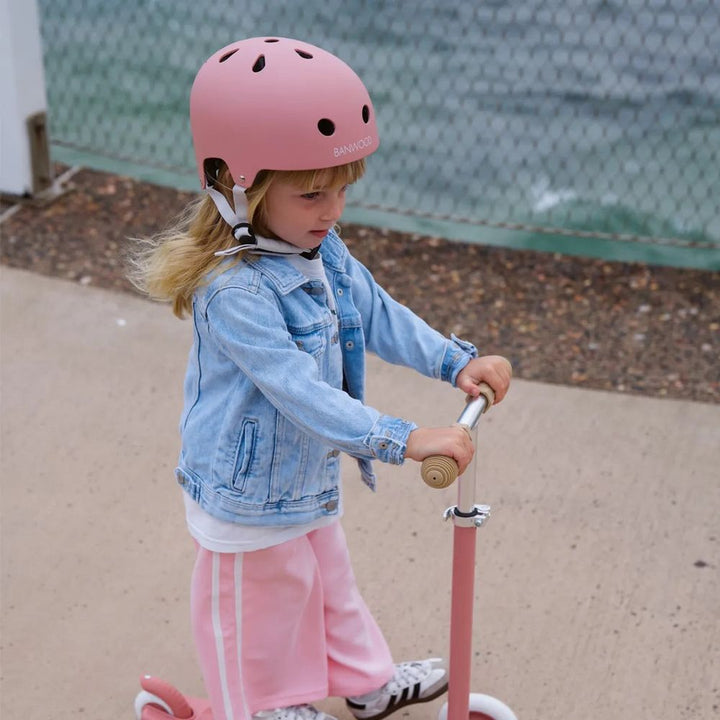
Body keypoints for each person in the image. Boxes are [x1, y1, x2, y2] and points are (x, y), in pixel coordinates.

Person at [130, 36, 511, 720]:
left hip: (304, 477)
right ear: (238, 187)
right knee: (256, 611)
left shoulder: (321, 247)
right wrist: (402, 438)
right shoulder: (234, 292)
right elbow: (298, 392)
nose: (332, 211)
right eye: (311, 194)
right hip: (245, 494)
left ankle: (366, 682)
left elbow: (376, 312)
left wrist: (454, 361)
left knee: (331, 586)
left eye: (341, 190)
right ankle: (264, 707)